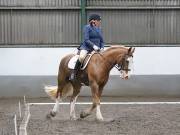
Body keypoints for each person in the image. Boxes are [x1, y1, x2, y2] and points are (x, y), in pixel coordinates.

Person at [70, 14, 104, 80]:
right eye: (98, 20)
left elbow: (102, 41)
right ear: (93, 21)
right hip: (86, 48)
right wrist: (94, 46)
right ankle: (73, 73)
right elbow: (86, 40)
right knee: (81, 57)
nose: (99, 22)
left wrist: (102, 47)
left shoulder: (99, 29)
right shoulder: (87, 27)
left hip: (97, 49)